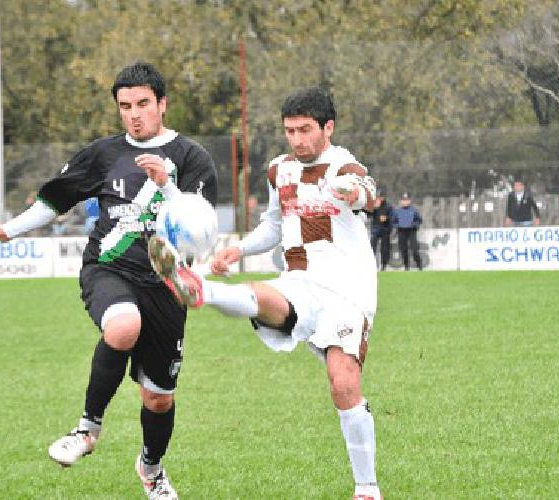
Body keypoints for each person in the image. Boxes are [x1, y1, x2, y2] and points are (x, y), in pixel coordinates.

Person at [0, 61, 218, 500]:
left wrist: (167, 186)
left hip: (165, 283)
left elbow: (201, 226)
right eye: (125, 106)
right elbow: (56, 198)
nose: (134, 114)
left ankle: (152, 469)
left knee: (158, 398)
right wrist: (9, 229)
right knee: (123, 326)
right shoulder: (103, 154)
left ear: (162, 104)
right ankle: (86, 430)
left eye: (143, 104)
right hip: (108, 267)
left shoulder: (191, 157)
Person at [148, 86, 384, 500]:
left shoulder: (342, 164)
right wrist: (239, 247)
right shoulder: (280, 170)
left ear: (328, 127)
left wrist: (353, 192)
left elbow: (366, 192)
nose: (296, 139)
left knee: (343, 383)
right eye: (289, 131)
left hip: (347, 290)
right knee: (262, 295)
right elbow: (273, 227)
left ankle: (366, 490)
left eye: (305, 130)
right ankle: (201, 290)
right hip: (300, 282)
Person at [392, 193, 423, 271]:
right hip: (401, 231)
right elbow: (393, 222)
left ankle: (419, 265)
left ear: (409, 201)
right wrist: (398, 225)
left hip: (411, 231)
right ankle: (406, 267)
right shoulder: (397, 211)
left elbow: (419, 220)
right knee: (403, 250)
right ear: (401, 201)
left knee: (414, 250)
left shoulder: (414, 210)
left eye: (406, 200)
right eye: (403, 200)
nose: (405, 202)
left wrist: (414, 224)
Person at [365, 191, 394, 270]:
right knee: (372, 248)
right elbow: (368, 215)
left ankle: (384, 266)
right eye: (378, 197)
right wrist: (374, 207)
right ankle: (371, 265)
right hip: (375, 229)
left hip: (385, 229)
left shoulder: (388, 207)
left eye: (381, 197)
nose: (379, 199)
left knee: (384, 248)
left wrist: (386, 218)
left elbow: (392, 218)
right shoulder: (374, 205)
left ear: (384, 197)